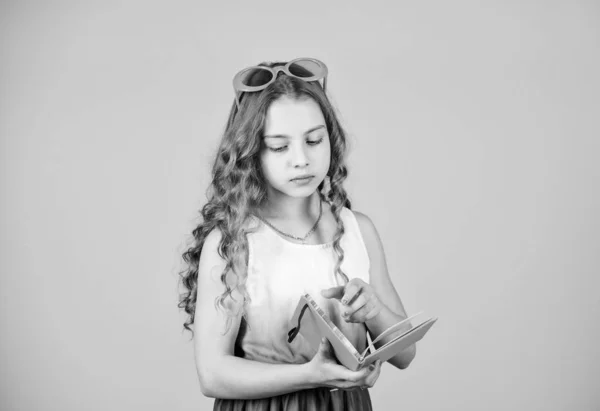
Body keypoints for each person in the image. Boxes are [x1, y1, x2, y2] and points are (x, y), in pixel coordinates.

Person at [179, 57, 416, 410]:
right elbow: (212, 374)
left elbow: (405, 353)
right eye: (279, 146)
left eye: (314, 140)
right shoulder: (232, 242)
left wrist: (374, 309)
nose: (301, 159)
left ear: (330, 139)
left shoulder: (357, 229)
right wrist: (312, 374)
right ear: (250, 152)